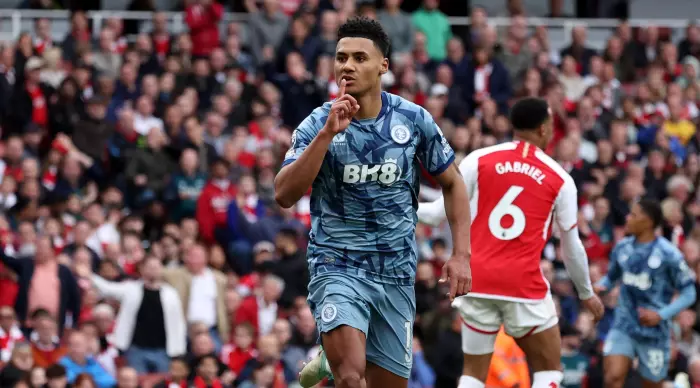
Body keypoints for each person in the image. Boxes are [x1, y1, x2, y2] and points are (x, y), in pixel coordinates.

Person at [275, 16, 471, 388]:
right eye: (341, 57)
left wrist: (461, 254)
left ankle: (330, 357)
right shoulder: (318, 122)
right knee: (351, 378)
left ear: (384, 65)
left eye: (359, 58)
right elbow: (284, 194)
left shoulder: (413, 120)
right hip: (337, 263)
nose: (347, 65)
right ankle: (339, 355)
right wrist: (326, 136)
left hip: (395, 271)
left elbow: (453, 183)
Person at [416, 97, 605, 388]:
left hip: (477, 279)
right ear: (544, 129)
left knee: (472, 374)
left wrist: (393, 204)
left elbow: (435, 214)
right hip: (522, 284)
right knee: (549, 370)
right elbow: (571, 247)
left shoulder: (479, 159)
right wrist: (586, 292)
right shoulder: (560, 179)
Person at [596, 199, 697, 388]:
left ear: (649, 222)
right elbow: (611, 277)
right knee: (612, 378)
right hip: (624, 325)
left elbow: (689, 293)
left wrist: (661, 315)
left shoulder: (669, 254)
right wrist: (599, 287)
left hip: (654, 333)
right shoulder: (622, 248)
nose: (627, 218)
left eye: (633, 215)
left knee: (652, 385)